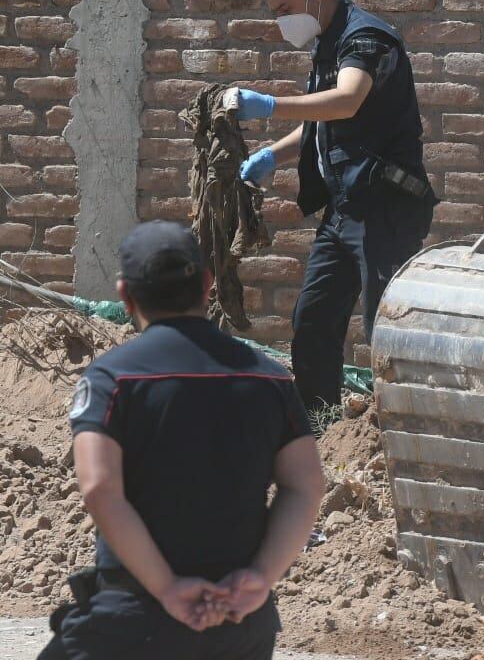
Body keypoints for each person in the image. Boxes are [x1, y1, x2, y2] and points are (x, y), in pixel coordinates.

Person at [38, 221, 325, 660]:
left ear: (125, 295)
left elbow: (99, 487)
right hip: (240, 623)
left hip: (135, 620)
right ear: (208, 284)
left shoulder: (112, 379)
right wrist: (260, 577)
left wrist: (168, 588)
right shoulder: (270, 379)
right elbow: (306, 485)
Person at [232, 0, 435, 418]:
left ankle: (404, 428)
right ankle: (320, 427)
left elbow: (345, 101)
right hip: (346, 207)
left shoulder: (365, 37)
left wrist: (268, 104)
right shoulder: (328, 41)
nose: (280, 22)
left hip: (385, 205)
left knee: (385, 322)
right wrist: (271, 156)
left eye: (283, 9)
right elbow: (323, 121)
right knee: (313, 319)